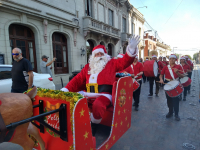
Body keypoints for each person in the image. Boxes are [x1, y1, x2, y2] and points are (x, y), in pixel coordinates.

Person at [60, 35, 140, 136]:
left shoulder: (111, 63)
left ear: (105, 55)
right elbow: (78, 79)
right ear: (93, 56)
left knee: (98, 105)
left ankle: (93, 126)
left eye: (100, 54)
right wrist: (66, 89)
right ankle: (75, 124)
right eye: (96, 54)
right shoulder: (88, 67)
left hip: (104, 95)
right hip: (88, 93)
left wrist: (131, 50)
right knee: (74, 100)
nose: (98, 56)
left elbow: (125, 62)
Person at [159, 54, 184, 121]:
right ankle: (170, 112)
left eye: (173, 59)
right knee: (169, 99)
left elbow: (182, 76)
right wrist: (161, 79)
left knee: (175, 100)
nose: (172, 60)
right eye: (170, 59)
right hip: (167, 82)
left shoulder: (179, 66)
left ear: (175, 60)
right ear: (169, 60)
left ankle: (176, 114)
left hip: (175, 82)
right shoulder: (166, 67)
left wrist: (178, 73)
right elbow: (161, 75)